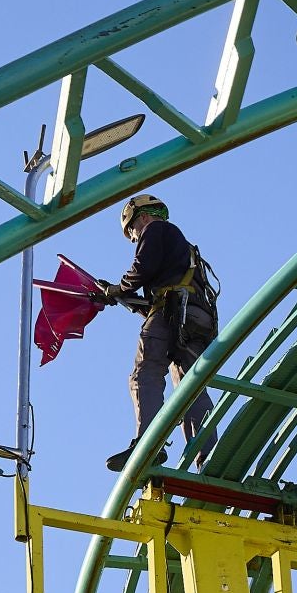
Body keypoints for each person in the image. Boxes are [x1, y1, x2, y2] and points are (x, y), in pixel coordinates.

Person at [95, 194, 219, 473]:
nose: (134, 239)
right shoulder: (180, 246)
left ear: (142, 218)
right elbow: (157, 297)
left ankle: (147, 444)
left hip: (172, 316)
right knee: (190, 389)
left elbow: (143, 268)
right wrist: (121, 296)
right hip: (193, 320)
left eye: (132, 232)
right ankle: (208, 457)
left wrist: (118, 288)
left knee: (145, 374)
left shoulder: (155, 229)